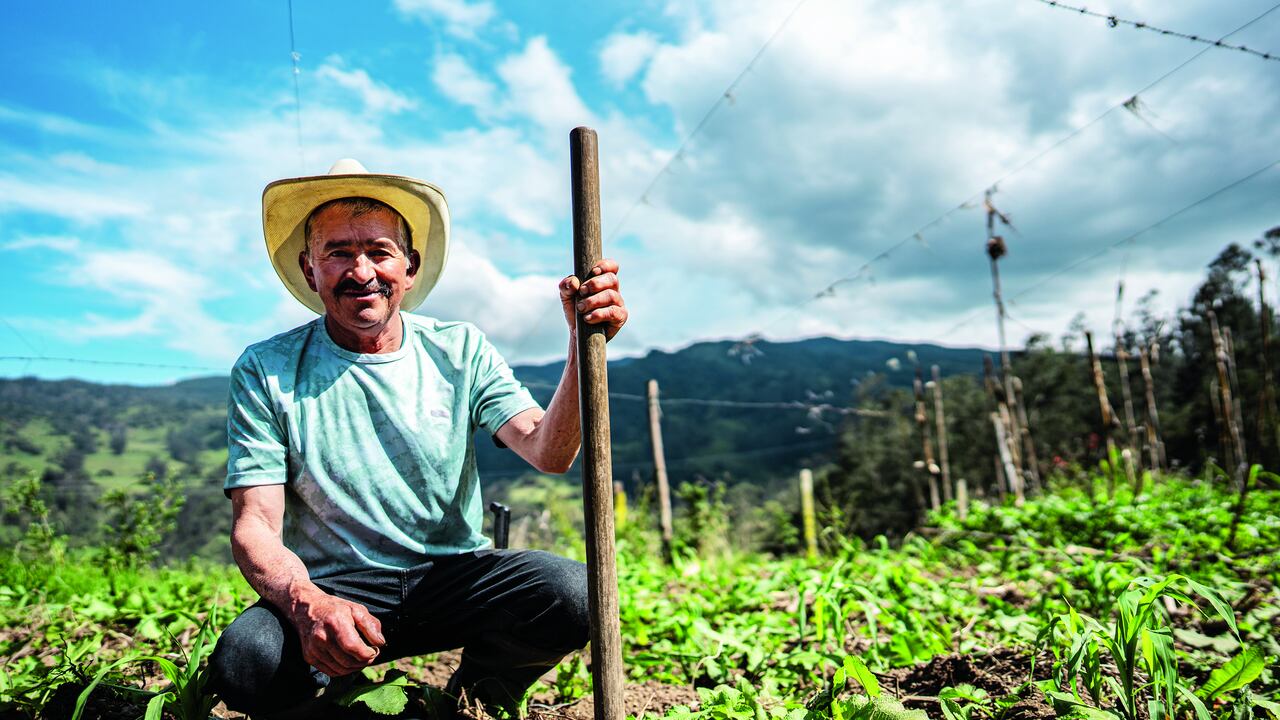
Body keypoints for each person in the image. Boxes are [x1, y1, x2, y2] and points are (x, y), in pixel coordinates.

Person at [206, 159, 628, 719]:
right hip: (336, 589)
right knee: (247, 661)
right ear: (311, 270)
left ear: (410, 267)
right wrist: (309, 604)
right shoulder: (268, 369)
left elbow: (549, 451)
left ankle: (478, 699)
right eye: (337, 253)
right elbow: (255, 523)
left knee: (576, 595)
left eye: (379, 251)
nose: (361, 271)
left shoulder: (461, 349)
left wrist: (582, 344)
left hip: (451, 576)